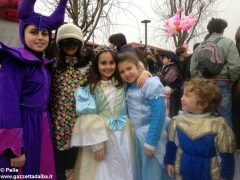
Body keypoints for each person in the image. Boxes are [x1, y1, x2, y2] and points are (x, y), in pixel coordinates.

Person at [0, 0, 67, 178]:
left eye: (45, 33)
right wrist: (14, 147)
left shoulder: (44, 65)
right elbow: (7, 104)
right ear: (23, 33)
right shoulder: (14, 62)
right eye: (34, 32)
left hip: (42, 128)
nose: (40, 37)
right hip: (23, 129)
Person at [71, 46, 135, 180]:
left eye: (112, 62)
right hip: (103, 137)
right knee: (105, 170)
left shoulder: (123, 83)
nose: (108, 67)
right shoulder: (90, 88)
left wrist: (146, 73)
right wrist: (97, 145)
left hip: (125, 136)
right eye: (103, 63)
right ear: (96, 65)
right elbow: (88, 118)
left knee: (126, 166)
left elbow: (137, 70)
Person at [164, 78, 236, 180]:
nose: (182, 98)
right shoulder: (177, 121)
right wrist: (169, 161)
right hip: (184, 169)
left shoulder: (218, 126)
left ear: (203, 104)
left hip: (209, 173)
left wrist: (226, 177)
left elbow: (226, 156)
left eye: (187, 96)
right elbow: (172, 144)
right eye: (183, 94)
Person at [117, 51, 171, 180]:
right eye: (122, 72)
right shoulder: (127, 87)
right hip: (136, 137)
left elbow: (159, 114)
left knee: (153, 171)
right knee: (143, 170)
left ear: (138, 66)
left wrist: (151, 142)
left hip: (151, 136)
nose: (126, 74)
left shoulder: (151, 84)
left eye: (129, 68)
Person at [50, 23, 94, 180]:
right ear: (60, 44)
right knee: (58, 168)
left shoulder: (89, 65)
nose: (70, 45)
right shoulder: (53, 65)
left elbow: (113, 70)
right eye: (66, 41)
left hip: (79, 125)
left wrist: (144, 72)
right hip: (57, 126)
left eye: (74, 41)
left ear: (80, 43)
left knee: (77, 167)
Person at [190, 18, 240, 127]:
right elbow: (235, 66)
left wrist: (201, 80)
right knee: (225, 117)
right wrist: (231, 80)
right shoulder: (228, 43)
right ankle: (225, 143)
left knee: (205, 117)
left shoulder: (199, 47)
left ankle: (207, 142)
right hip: (222, 83)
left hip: (204, 85)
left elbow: (193, 70)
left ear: (209, 30)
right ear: (222, 30)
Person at [159, 51, 183, 118]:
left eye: (163, 58)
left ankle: (173, 125)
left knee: (172, 112)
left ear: (169, 59)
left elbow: (166, 81)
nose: (162, 59)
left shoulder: (173, 68)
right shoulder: (167, 66)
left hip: (174, 94)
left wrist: (158, 78)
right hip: (170, 93)